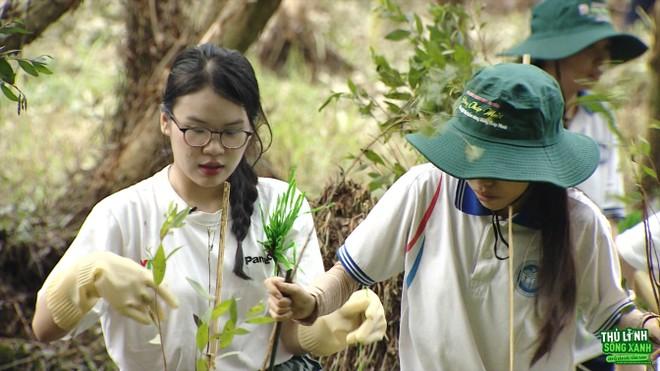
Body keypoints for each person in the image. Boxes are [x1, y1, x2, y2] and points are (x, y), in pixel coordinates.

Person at [265, 63, 660, 370]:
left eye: (504, 165)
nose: (482, 180)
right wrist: (313, 301)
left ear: (540, 163)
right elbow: (350, 274)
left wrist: (647, 330)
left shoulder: (579, 223)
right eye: (472, 158)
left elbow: (612, 321)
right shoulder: (426, 191)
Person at [31, 44, 386, 371]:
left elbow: (288, 336)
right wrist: (88, 276)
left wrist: (328, 322)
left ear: (253, 127)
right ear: (165, 121)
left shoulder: (282, 205)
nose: (213, 149)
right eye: (196, 131)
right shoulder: (124, 214)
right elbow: (45, 329)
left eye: (232, 133)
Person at [499, 1, 649, 368]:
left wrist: (633, 344)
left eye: (605, 52)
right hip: (526, 314)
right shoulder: (514, 120)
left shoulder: (599, 118)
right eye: (591, 51)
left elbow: (609, 229)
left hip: (595, 309)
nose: (602, 62)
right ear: (554, 55)